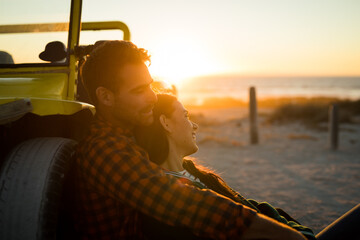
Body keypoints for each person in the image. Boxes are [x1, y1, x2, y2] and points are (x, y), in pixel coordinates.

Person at [73, 40, 307, 240]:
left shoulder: (129, 133)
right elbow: (179, 202)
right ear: (105, 96)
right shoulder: (104, 149)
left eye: (151, 86)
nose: (153, 97)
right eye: (139, 90)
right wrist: (285, 234)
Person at [134, 93, 360, 240]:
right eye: (185, 115)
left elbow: (250, 206)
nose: (194, 124)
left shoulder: (191, 171)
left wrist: (297, 230)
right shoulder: (171, 193)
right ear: (165, 123)